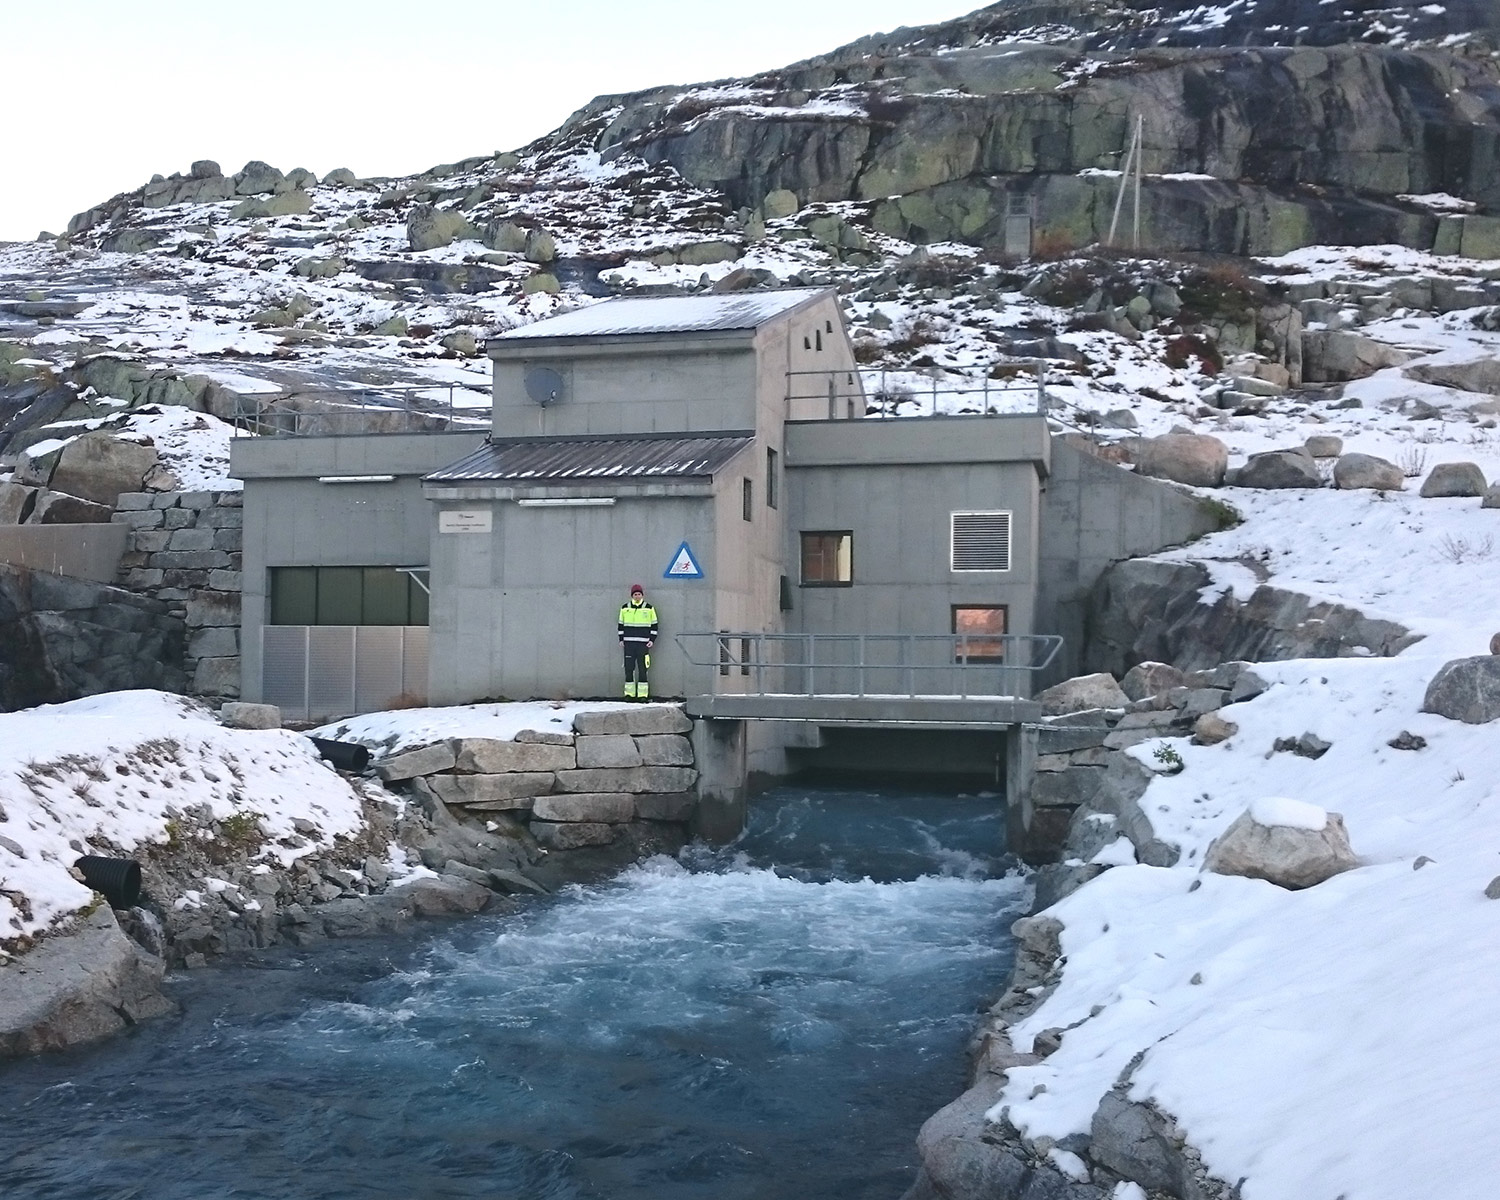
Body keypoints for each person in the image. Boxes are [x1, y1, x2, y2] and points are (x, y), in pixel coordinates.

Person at [617, 583, 658, 700]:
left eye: (639, 594)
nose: (637, 596)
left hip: (643, 644)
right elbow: (621, 625)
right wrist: (621, 639)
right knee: (629, 668)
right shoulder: (625, 608)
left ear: (642, 595)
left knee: (642, 668)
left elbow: (654, 625)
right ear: (632, 595)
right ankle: (629, 694)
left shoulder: (649, 608)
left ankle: (642, 695)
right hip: (629, 643)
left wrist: (652, 640)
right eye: (635, 594)